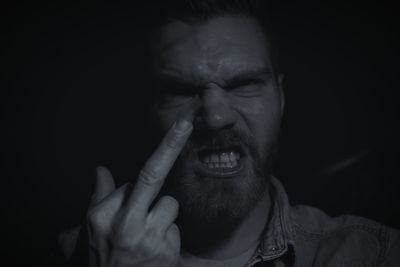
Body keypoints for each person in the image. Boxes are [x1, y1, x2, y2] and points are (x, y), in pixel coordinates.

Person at [58, 1, 400, 266]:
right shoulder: (72, 256)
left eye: (245, 84)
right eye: (180, 89)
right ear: (147, 107)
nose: (216, 115)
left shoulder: (376, 255)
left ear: (281, 99)